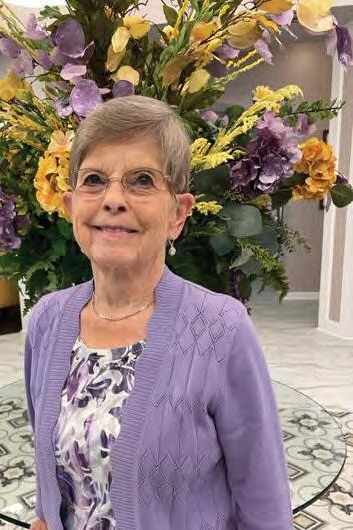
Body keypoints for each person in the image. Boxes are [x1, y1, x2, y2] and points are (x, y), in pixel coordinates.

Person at [25, 95, 293, 530]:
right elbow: (52, 477)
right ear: (71, 205)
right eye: (94, 180)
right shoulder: (46, 320)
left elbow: (265, 502)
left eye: (142, 180)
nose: (113, 199)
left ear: (178, 214)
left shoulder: (222, 329)